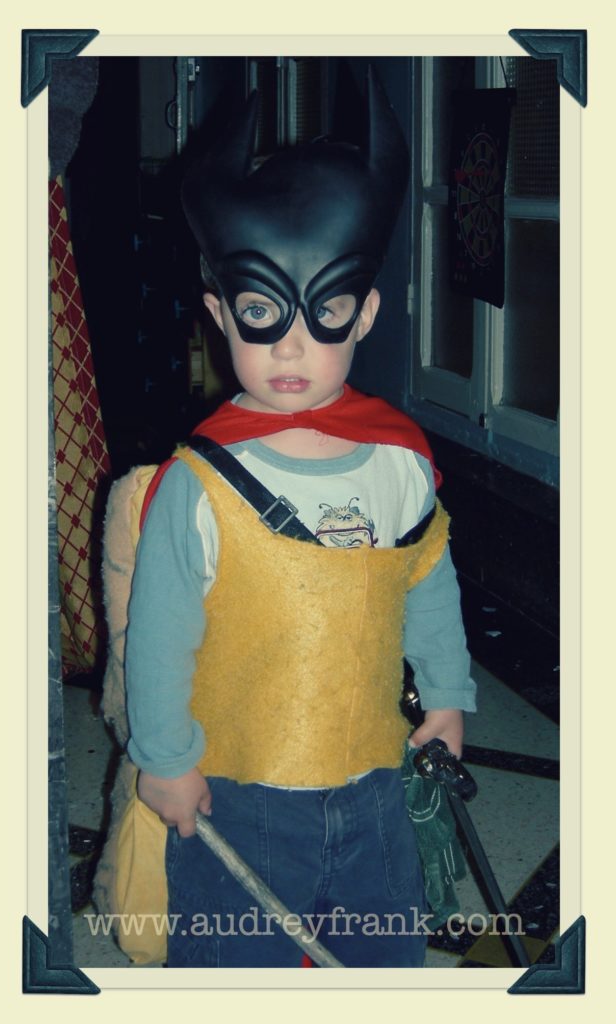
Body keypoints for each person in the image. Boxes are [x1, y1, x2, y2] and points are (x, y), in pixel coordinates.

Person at [124, 68, 476, 968]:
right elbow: (159, 632)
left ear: (365, 313)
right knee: (235, 966)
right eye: (257, 312)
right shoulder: (204, 480)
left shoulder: (400, 463)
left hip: (372, 783)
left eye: (322, 314)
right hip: (237, 790)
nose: (288, 346)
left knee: (380, 959)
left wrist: (445, 695)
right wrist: (164, 757)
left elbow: (428, 583)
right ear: (217, 316)